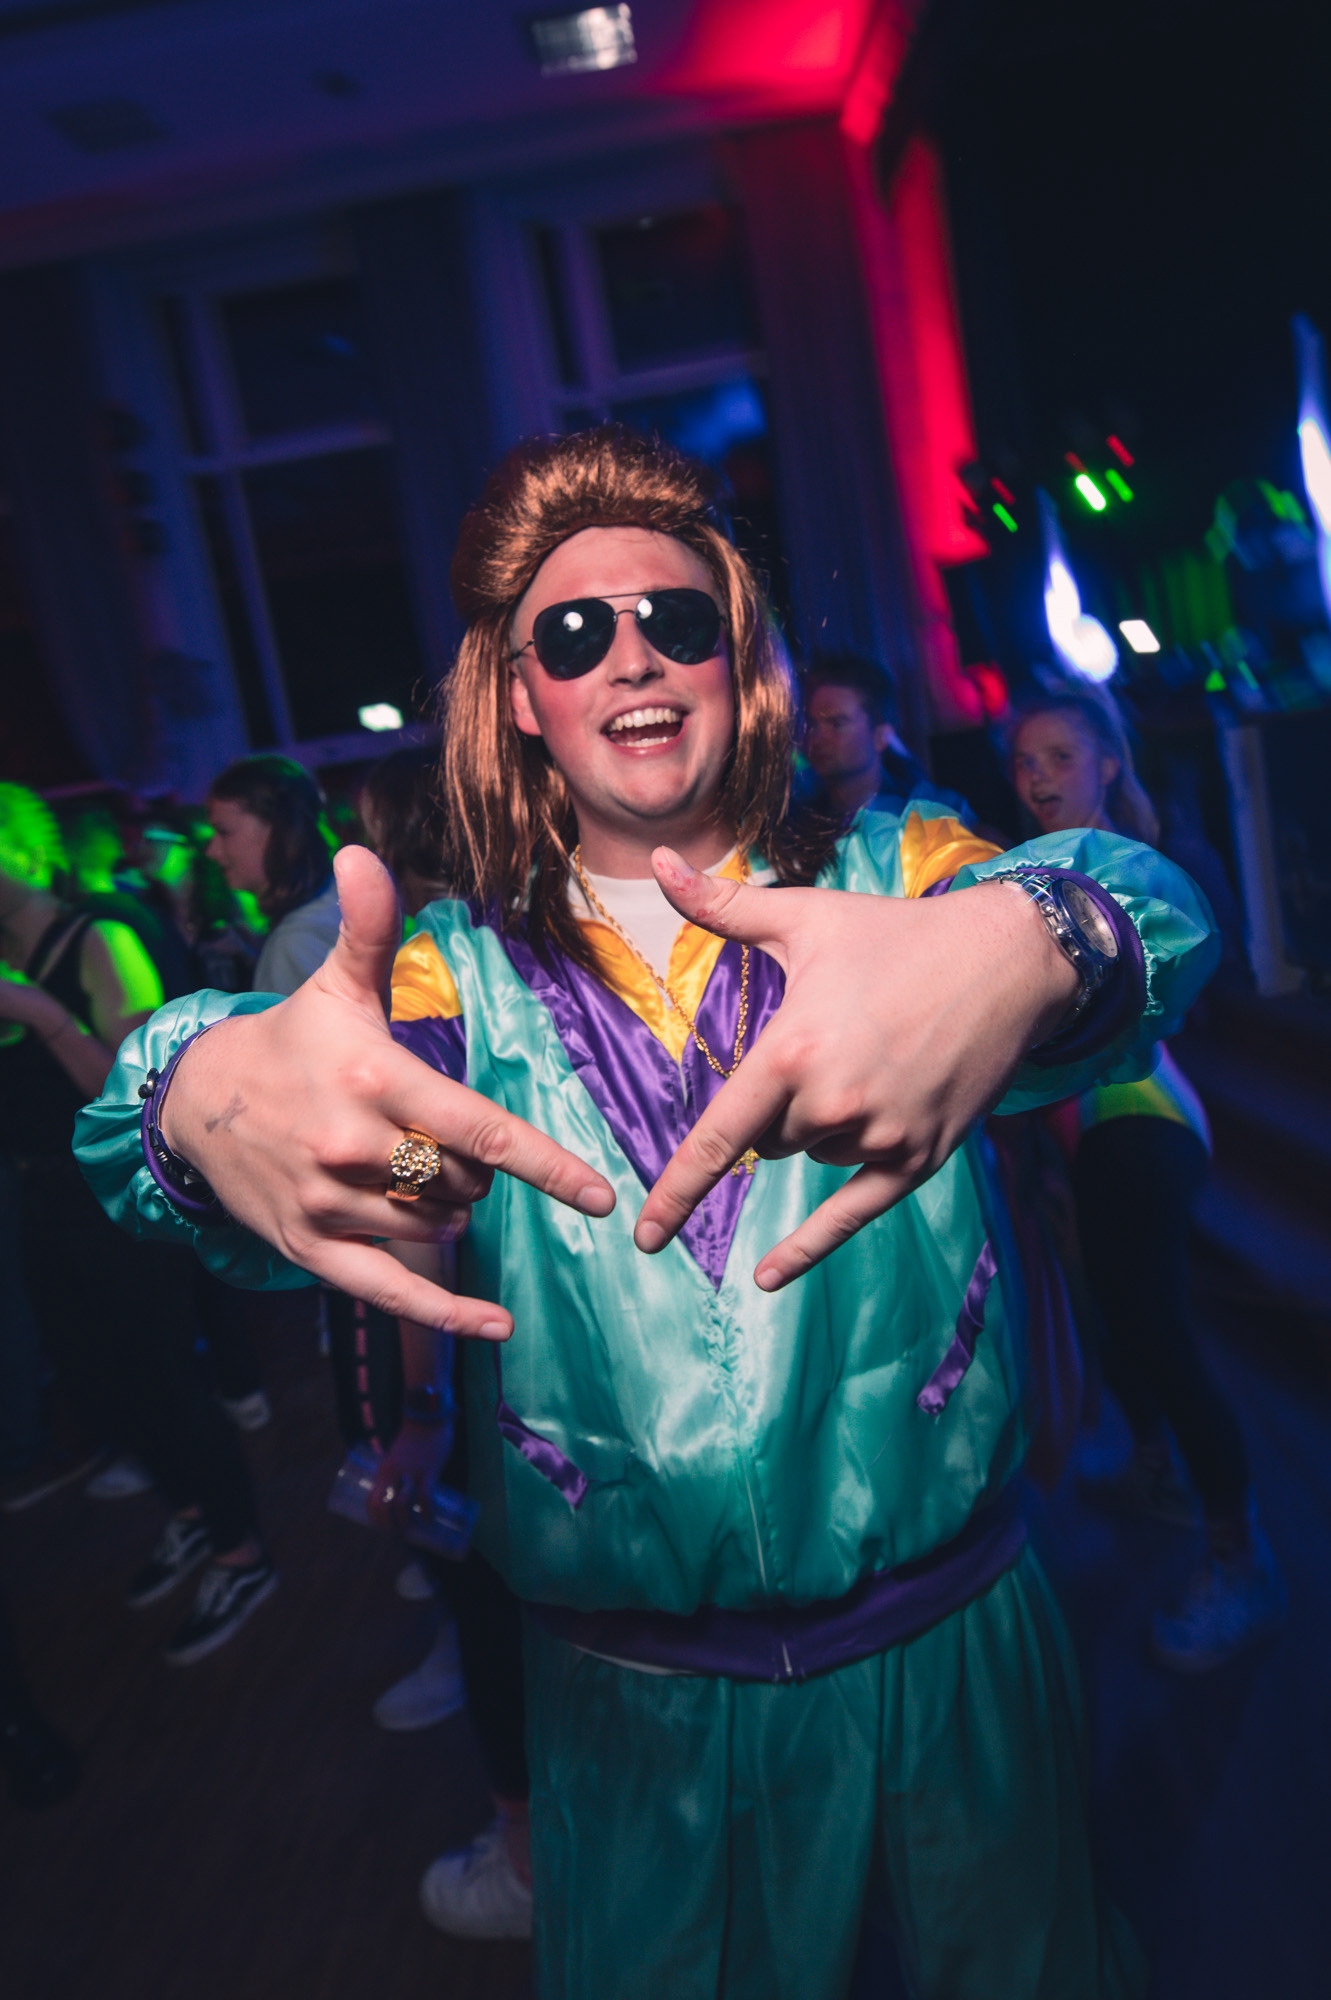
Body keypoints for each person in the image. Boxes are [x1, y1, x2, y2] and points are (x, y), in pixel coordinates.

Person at [77, 427, 1219, 1999]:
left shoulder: (899, 876)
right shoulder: (453, 980)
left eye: (676, 618)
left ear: (735, 656)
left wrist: (1043, 942)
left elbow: (1150, 923)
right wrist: (208, 1108)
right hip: (639, 1708)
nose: (631, 655)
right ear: (518, 694)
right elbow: (410, 1177)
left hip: (955, 1644)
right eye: (571, 631)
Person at [1010, 685, 1282, 1672]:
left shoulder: (1118, 870)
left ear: (1107, 763)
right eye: (1023, 761)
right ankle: (1155, 1468)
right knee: (1120, 1320)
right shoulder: (1034, 869)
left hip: (1138, 1121)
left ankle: (1240, 1560)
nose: (1037, 776)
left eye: (1059, 756)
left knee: (1160, 1337)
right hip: (1090, 1129)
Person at [0, 783, 276, 1663]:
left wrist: (39, 1014)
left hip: (115, 1200)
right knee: (95, 1384)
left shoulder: (101, 939)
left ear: (25, 851)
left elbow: (136, 1097)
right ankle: (192, 1512)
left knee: (163, 1379)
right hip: (39, 1201)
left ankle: (241, 1551)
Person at [206, 755, 340, 994]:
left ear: (277, 829)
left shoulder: (297, 940)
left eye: (224, 832)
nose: (212, 851)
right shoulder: (335, 900)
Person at [800, 647, 971, 822]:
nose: (817, 738)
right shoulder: (799, 819)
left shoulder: (935, 814)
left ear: (880, 736)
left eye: (837, 724)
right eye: (811, 724)